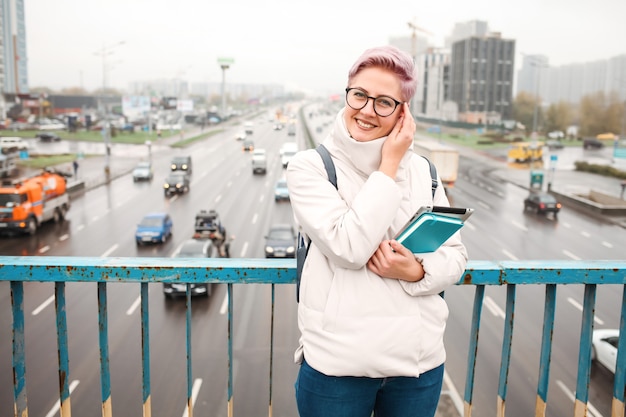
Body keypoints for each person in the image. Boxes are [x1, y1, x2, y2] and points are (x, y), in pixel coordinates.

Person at [286, 45, 468, 417]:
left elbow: (456, 257)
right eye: (360, 95)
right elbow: (349, 247)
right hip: (337, 370)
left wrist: (416, 271)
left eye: (385, 102)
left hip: (418, 368)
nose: (367, 110)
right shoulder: (311, 167)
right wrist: (389, 165)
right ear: (347, 93)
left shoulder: (424, 172)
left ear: (403, 113)